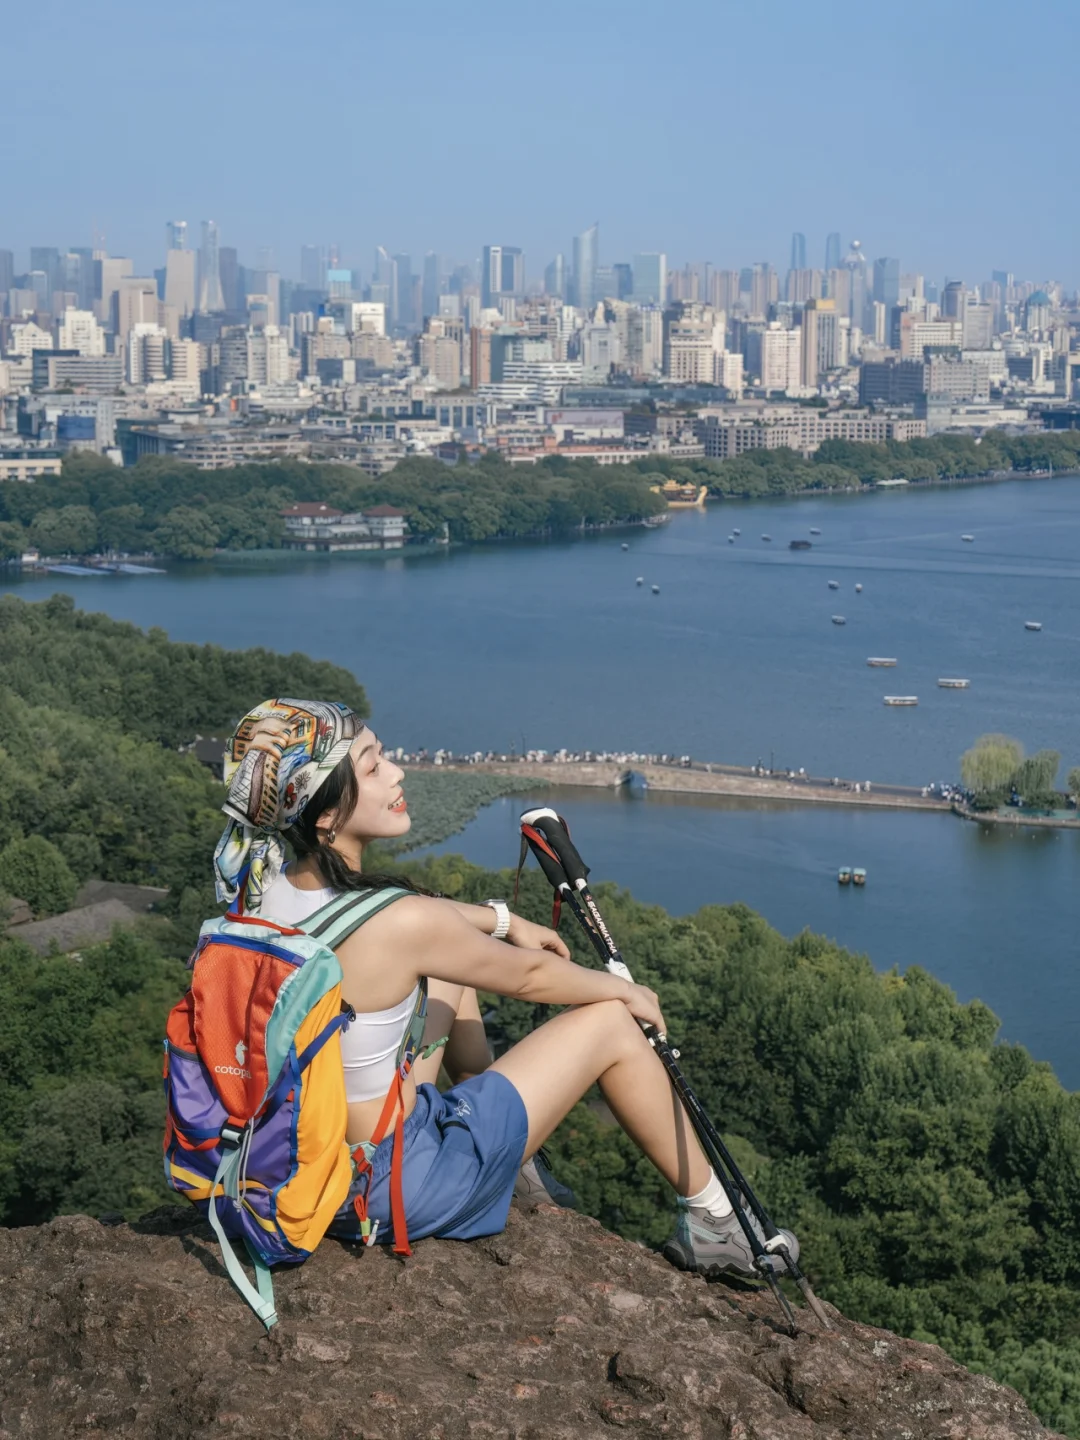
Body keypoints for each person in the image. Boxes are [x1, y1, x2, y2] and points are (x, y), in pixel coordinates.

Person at [213, 698, 797, 1280]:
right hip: (392, 1185)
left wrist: (503, 921)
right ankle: (717, 1224)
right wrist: (630, 993)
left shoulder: (252, 900)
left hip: (300, 1168)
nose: (397, 773)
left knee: (445, 970)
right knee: (611, 1025)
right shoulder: (401, 921)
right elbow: (528, 976)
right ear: (324, 814)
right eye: (372, 768)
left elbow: (426, 927)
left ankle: (513, 1165)